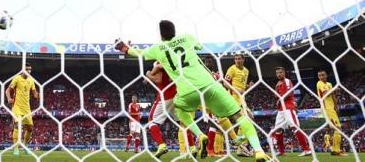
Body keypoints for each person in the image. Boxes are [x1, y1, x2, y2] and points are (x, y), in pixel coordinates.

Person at [115, 20, 269, 161]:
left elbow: (139, 53)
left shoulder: (158, 49)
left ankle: (200, 135)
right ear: (175, 31)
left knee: (180, 110)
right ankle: (258, 151)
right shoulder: (187, 37)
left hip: (187, 91)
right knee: (239, 116)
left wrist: (125, 48)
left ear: (161, 35)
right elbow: (198, 47)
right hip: (209, 85)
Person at [145, 61, 192, 158]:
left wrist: (148, 74)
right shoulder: (172, 62)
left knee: (151, 121)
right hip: (175, 95)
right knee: (183, 122)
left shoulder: (159, 62)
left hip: (165, 96)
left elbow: (159, 80)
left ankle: (161, 145)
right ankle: (192, 147)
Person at [272, 67, 311, 157]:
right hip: (281, 109)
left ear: (284, 73)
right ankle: (281, 151)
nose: (279, 74)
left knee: (294, 126)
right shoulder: (278, 83)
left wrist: (280, 99)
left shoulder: (287, 81)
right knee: (277, 129)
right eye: (277, 73)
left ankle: (306, 149)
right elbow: (275, 96)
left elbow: (289, 92)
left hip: (288, 107)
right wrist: (276, 87)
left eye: (280, 72)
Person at [6, 63, 39, 156]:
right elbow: (7, 90)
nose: (29, 71)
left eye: (30, 69)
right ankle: (16, 148)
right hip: (17, 106)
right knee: (17, 125)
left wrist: (37, 95)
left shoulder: (31, 80)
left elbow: (34, 93)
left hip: (27, 108)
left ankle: (25, 146)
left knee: (30, 128)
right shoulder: (17, 78)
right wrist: (9, 98)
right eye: (27, 69)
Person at [225, 53, 254, 157]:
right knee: (246, 119)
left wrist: (248, 86)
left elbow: (243, 87)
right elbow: (225, 83)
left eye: (239, 59)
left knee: (250, 119)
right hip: (233, 98)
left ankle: (241, 146)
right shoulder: (232, 69)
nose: (237, 60)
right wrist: (236, 89)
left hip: (242, 99)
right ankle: (242, 146)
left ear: (243, 59)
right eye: (236, 59)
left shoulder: (246, 71)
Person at [316, 69, 346, 156]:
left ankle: (335, 149)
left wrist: (336, 106)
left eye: (323, 75)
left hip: (332, 109)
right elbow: (326, 94)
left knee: (335, 129)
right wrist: (335, 89)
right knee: (338, 128)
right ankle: (336, 150)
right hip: (326, 109)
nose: (321, 77)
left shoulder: (329, 84)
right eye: (319, 75)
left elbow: (332, 96)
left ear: (326, 75)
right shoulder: (319, 83)